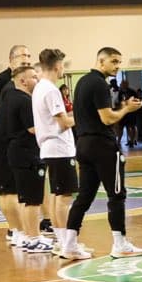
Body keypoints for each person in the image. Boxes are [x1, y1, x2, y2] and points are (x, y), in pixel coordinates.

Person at [65, 47, 142, 259]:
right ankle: (120, 244)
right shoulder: (99, 84)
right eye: (114, 61)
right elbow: (107, 118)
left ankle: (69, 244)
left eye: (119, 62)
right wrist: (127, 109)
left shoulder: (82, 82)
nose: (118, 66)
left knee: (84, 196)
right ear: (101, 61)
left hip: (83, 144)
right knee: (116, 194)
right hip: (102, 146)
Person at [29, 49, 83, 259]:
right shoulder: (51, 90)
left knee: (56, 195)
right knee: (64, 198)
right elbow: (63, 123)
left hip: (49, 148)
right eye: (63, 65)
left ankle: (62, 241)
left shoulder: (39, 88)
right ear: (58, 66)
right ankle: (68, 244)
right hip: (59, 148)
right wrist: (83, 116)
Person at [0, 64, 51, 254]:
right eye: (34, 77)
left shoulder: (9, 97)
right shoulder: (24, 100)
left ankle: (28, 236)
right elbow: (33, 129)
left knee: (25, 199)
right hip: (28, 154)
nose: (37, 80)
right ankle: (34, 239)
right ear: (23, 81)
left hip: (16, 152)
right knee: (33, 200)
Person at [0, 43, 32, 246]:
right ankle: (16, 231)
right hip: (1, 140)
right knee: (7, 189)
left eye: (29, 55)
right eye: (22, 56)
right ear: (11, 60)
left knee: (16, 188)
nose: (26, 58)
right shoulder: (2, 81)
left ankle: (19, 230)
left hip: (13, 140)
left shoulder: (24, 81)